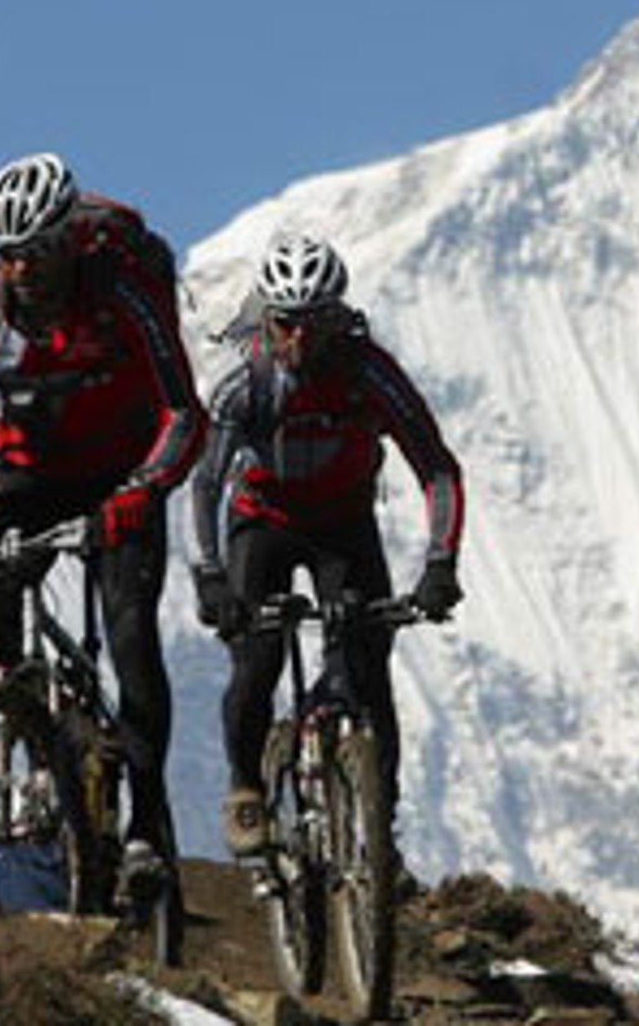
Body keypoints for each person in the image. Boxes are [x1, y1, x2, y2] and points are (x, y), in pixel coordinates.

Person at [0, 152, 208, 885]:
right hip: (28, 472)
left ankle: (147, 834)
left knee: (132, 644)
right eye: (7, 254)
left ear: (68, 241)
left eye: (36, 251)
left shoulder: (126, 293)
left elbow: (185, 414)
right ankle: (30, 738)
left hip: (120, 471)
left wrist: (146, 488)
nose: (22, 270)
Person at [190, 231, 464, 857]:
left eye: (315, 325)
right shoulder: (246, 384)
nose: (299, 341)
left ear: (339, 318)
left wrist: (441, 563)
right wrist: (210, 576)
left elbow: (437, 467)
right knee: (256, 660)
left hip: (343, 525)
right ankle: (246, 790)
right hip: (262, 523)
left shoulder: (371, 375)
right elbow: (205, 485)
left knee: (367, 670)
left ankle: (378, 831)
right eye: (286, 324)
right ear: (268, 318)